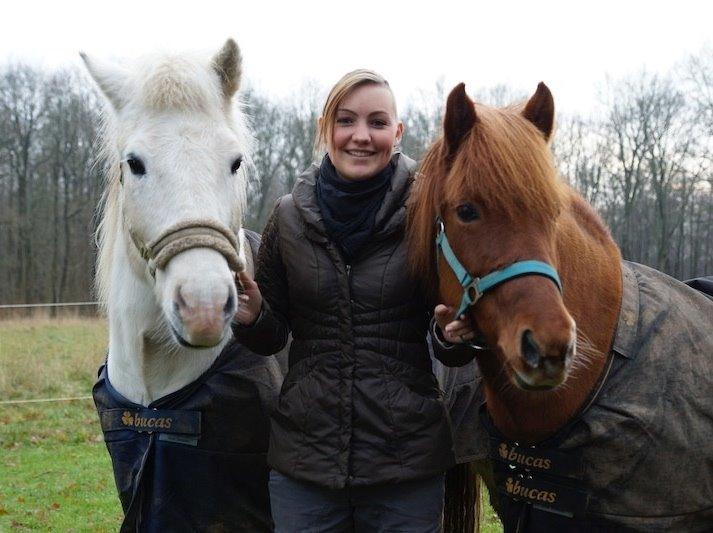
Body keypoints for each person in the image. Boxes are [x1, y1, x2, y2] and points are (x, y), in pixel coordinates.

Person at [233, 69, 475, 532]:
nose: (361, 136)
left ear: (397, 133)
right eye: (347, 121)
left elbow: (449, 337)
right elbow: (272, 336)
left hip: (405, 466)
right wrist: (252, 317)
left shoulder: (429, 213)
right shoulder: (287, 217)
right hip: (306, 466)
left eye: (378, 123)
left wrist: (453, 336)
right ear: (326, 129)